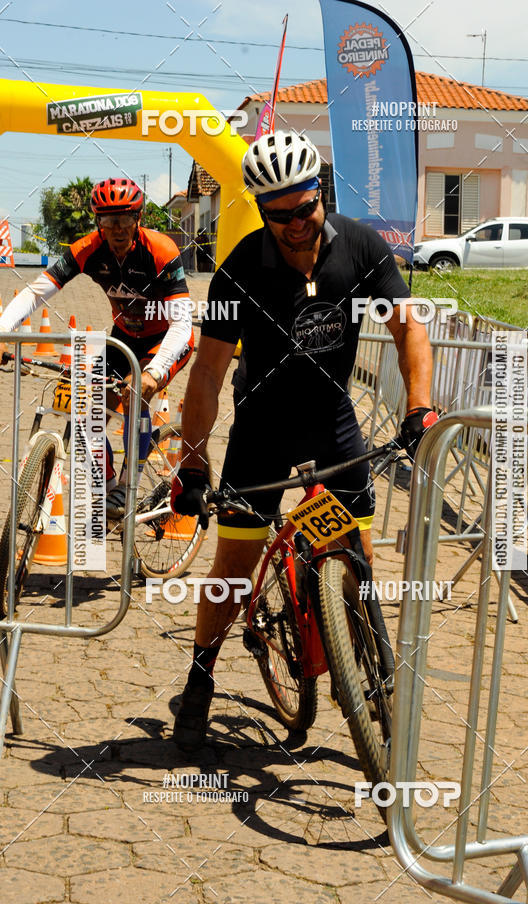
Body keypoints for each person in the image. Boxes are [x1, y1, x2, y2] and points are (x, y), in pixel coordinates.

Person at [170, 130, 436, 751]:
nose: (295, 223)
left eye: (305, 207)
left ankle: (366, 662)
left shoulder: (362, 246)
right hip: (261, 430)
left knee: (357, 554)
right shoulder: (240, 270)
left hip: (332, 421)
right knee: (234, 570)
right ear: (262, 211)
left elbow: (409, 328)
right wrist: (192, 465)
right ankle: (201, 676)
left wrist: (419, 407)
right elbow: (207, 375)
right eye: (279, 214)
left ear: (321, 194)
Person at [0, 177, 194, 519]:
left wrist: (153, 371)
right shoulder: (87, 249)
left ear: (138, 218)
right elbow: (36, 293)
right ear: (98, 222)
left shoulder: (161, 250)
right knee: (89, 413)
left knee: (135, 393)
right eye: (108, 220)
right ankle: (108, 488)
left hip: (166, 339)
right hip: (123, 336)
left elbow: (182, 324)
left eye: (125, 218)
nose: (117, 228)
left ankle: (128, 486)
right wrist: (3, 332)